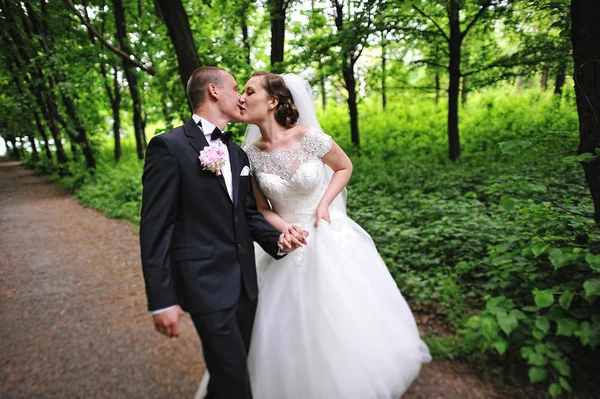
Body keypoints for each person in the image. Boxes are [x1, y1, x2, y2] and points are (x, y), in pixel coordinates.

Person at [239, 72, 432, 398]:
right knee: (284, 328)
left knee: (343, 316)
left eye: (249, 91)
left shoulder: (309, 137)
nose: (241, 98)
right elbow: (262, 209)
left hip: (326, 232)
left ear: (273, 101)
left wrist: (325, 204)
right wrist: (287, 229)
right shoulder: (250, 155)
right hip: (287, 241)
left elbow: (344, 166)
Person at [139, 67, 307, 399]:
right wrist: (162, 300)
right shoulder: (168, 147)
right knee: (233, 377)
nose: (241, 96)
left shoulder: (237, 153)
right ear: (214, 92)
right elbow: (154, 228)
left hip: (245, 284)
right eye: (235, 88)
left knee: (230, 371)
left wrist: (281, 240)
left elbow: (246, 214)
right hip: (204, 284)